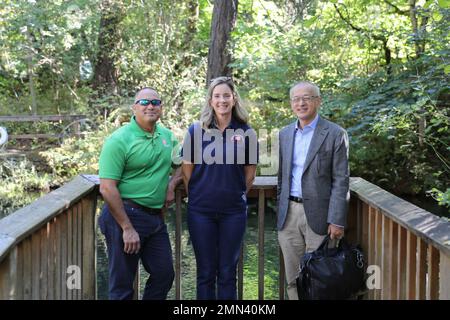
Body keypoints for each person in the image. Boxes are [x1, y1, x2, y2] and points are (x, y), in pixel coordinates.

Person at [98, 87, 182, 300]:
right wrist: (127, 228)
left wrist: (172, 184)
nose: (150, 106)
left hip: (155, 218)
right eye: (144, 102)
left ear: (161, 108)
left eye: (155, 102)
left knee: (164, 274)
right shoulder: (119, 140)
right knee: (122, 284)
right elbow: (107, 187)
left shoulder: (167, 137)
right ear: (134, 108)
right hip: (123, 216)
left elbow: (184, 163)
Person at [181, 76, 258, 300]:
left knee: (227, 273)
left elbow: (249, 175)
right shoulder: (196, 130)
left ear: (234, 99)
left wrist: (232, 193)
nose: (222, 100)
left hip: (233, 212)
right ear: (210, 100)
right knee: (205, 273)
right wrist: (198, 194)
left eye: (226, 95)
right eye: (217, 96)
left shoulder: (247, 132)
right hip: (200, 211)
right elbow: (187, 172)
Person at [277, 81, 350, 300]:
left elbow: (341, 180)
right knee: (292, 278)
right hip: (288, 214)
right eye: (296, 99)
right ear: (291, 104)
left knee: (319, 279)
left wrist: (337, 220)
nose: (301, 103)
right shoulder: (285, 133)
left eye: (306, 98)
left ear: (318, 101)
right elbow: (282, 177)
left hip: (320, 216)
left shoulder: (336, 133)